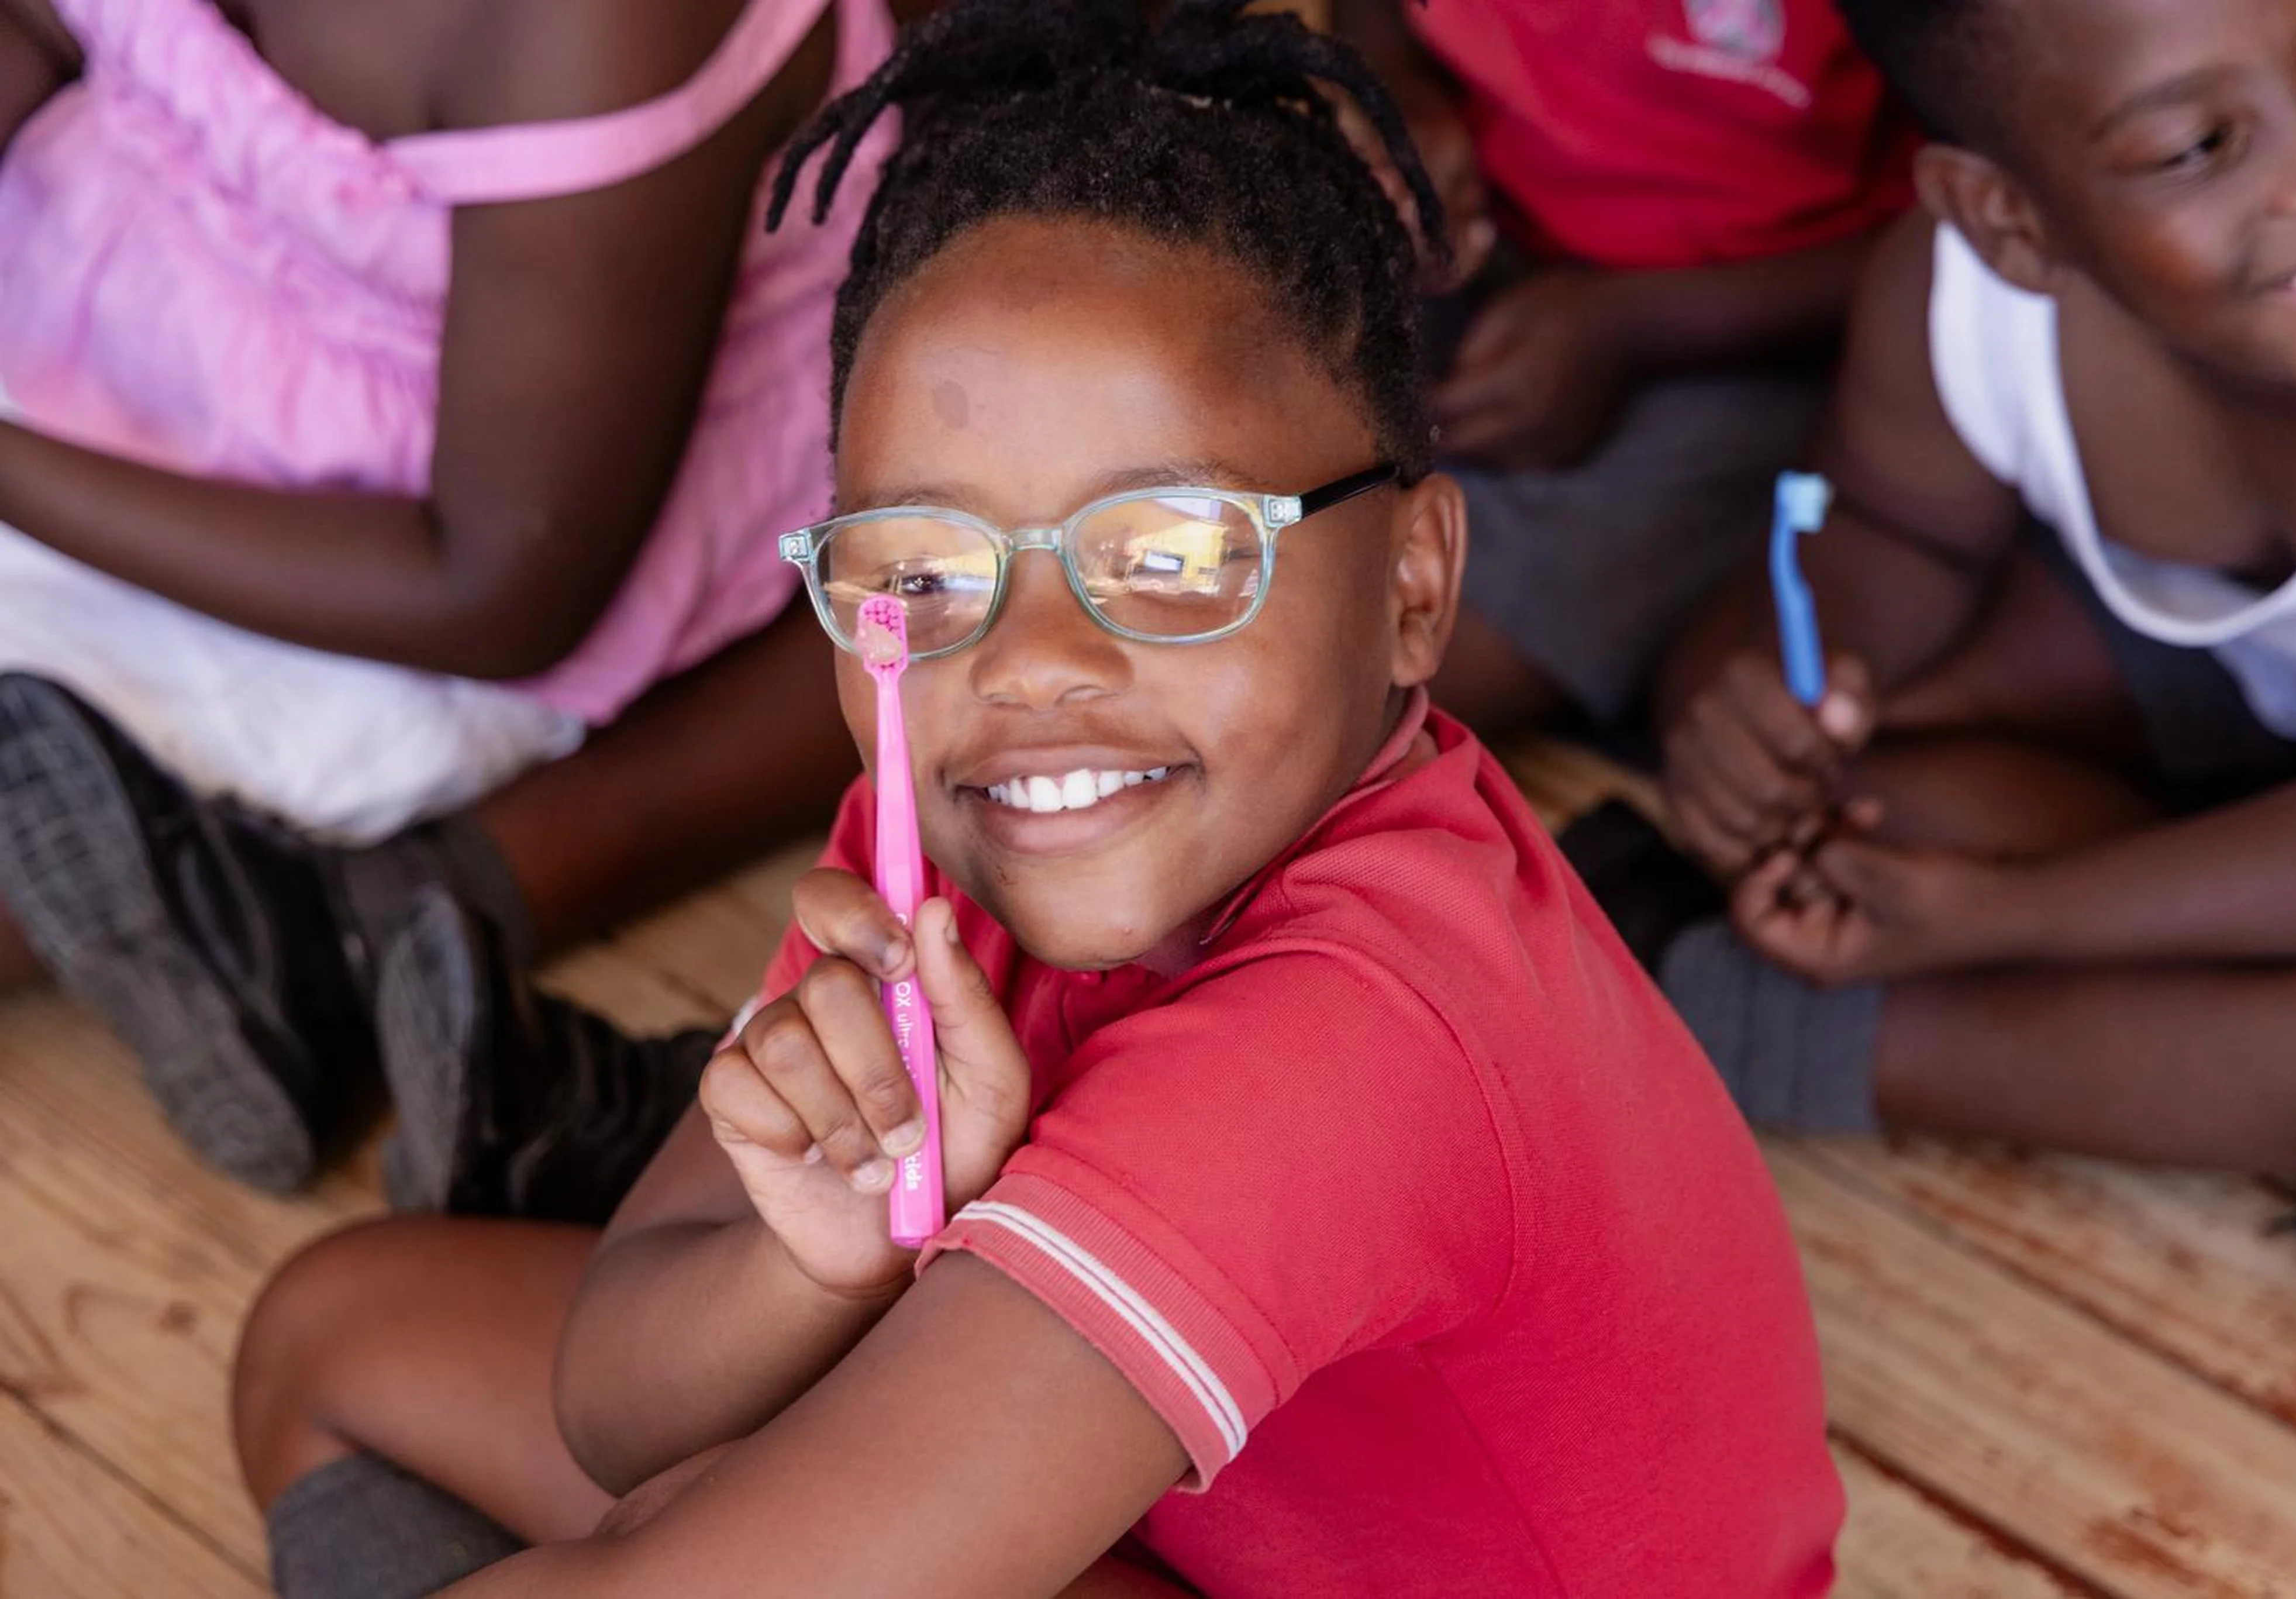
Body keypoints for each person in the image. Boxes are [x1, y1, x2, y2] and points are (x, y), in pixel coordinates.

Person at [227, 5, 1847, 1594]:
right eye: (926, 568)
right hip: (1156, 1520)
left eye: (1175, 553)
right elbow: (614, 1395)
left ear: (1413, 583)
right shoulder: (980, 807)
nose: (1029, 663)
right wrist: (819, 1259)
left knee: (706, 1519)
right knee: (338, 1338)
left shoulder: (1361, 1038)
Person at [0, 0, 925, 1199]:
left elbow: (495, 597)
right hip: (102, 304)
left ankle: (320, 925)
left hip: (379, 558)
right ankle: (302, 925)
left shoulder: (593, 33)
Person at [1630, 0, 2296, 1312]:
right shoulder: (1962, 300)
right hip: (2250, 697)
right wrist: (1781, 714)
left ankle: (1781, 1024)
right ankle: (2210, 1002)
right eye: (2196, 145)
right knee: (1809, 793)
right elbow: (1889, 533)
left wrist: (2014, 913)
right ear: (2009, 221)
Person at [1331, 0, 1916, 738]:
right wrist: (1406, 102)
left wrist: (1637, 326)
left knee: (1392, 679)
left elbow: (1955, 237)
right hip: (1475, 234)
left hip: (1756, 330)